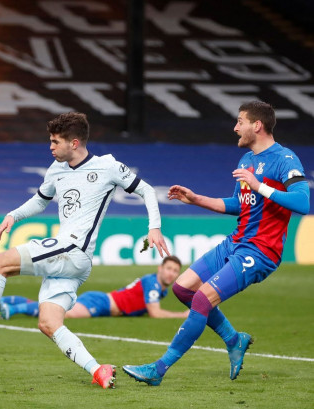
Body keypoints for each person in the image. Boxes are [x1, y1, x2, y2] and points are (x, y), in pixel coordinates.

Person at [0, 112, 170, 389]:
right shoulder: (56, 169)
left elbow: (147, 190)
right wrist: (13, 215)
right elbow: (40, 200)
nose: (51, 147)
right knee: (48, 322)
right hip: (72, 260)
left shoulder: (108, 166)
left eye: (56, 141)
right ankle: (98, 370)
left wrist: (154, 228)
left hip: (73, 249)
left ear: (74, 142)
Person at [123, 101, 310, 386]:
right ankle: (234, 340)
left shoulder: (285, 159)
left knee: (202, 298)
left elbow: (303, 202)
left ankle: (158, 370)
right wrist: (196, 199)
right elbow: (238, 204)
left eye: (240, 121)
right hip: (236, 241)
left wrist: (260, 186)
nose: (235, 127)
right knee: (183, 288)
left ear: (257, 125)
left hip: (261, 251)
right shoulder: (245, 161)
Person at [0, 256, 188, 320]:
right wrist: (181, 315)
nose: (171, 273)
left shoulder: (157, 285)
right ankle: (13, 309)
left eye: (175, 271)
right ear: (160, 268)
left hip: (103, 302)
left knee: (56, 310)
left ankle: (6, 301)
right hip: (101, 303)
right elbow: (155, 313)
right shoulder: (153, 284)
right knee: (61, 314)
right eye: (169, 268)